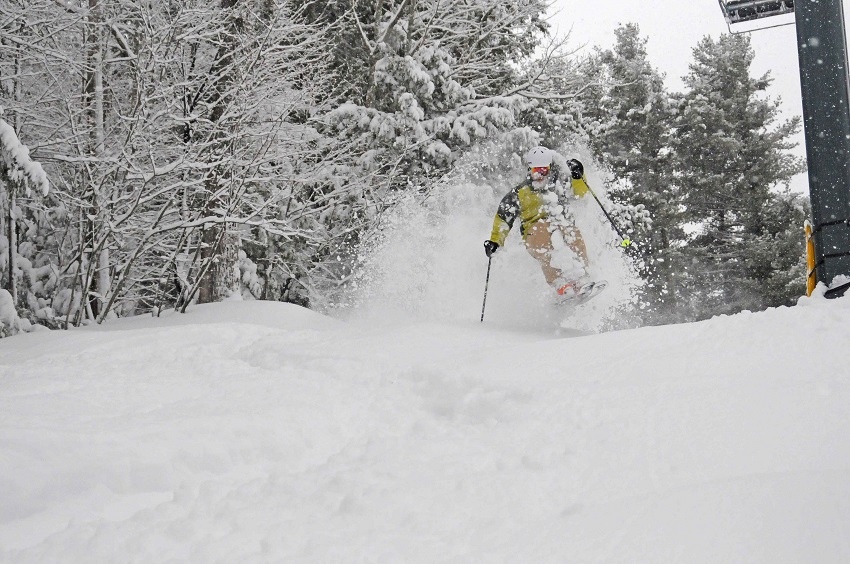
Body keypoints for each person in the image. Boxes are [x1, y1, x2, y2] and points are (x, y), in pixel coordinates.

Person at [483, 146, 595, 299]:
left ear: (549, 168)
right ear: (529, 169)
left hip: (561, 225)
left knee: (572, 233)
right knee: (542, 230)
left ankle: (581, 277)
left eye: (543, 170)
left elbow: (580, 194)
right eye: (536, 170)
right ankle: (560, 284)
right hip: (533, 233)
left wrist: (578, 176)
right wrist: (495, 242)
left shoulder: (559, 184)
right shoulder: (520, 192)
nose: (539, 174)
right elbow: (503, 218)